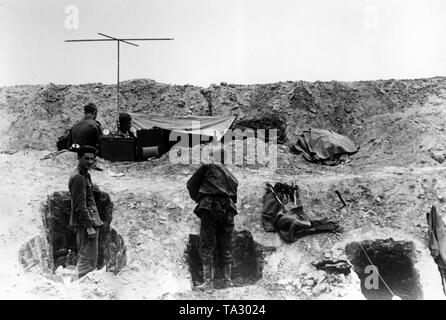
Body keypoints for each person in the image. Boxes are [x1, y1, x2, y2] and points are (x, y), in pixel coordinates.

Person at [186, 148, 239, 290]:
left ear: (212, 157)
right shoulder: (229, 173)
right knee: (225, 244)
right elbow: (234, 192)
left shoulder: (206, 167)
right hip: (227, 209)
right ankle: (228, 281)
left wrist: (200, 198)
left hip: (209, 208)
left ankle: (209, 283)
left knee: (207, 245)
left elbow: (191, 184)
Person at [68, 145, 104, 279]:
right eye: (86, 158)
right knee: (86, 261)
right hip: (86, 224)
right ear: (79, 158)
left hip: (90, 221)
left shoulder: (84, 175)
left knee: (90, 259)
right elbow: (80, 206)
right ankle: (79, 289)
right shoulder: (78, 177)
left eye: (92, 159)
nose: (89, 161)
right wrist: (89, 226)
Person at [67, 103, 103, 170]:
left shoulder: (74, 126)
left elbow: (69, 145)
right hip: (90, 155)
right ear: (95, 113)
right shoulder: (95, 125)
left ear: (85, 112)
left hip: (76, 155)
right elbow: (102, 145)